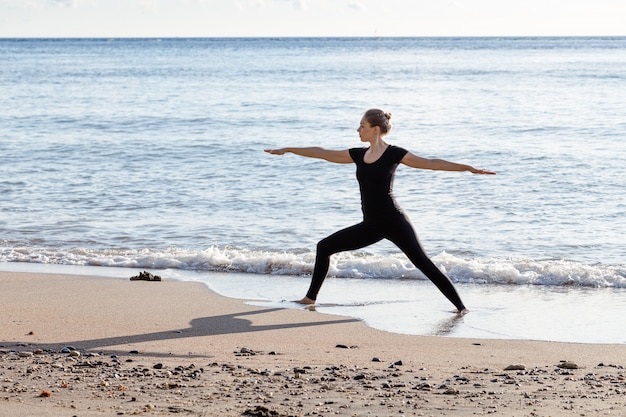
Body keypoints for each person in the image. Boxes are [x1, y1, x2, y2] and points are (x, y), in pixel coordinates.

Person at [264, 109, 495, 314]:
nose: (358, 130)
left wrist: (467, 168)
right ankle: (310, 298)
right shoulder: (357, 155)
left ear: (375, 129)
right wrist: (289, 149)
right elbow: (323, 152)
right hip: (371, 225)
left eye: (362, 126)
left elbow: (432, 163)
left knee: (423, 263)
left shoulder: (396, 154)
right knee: (324, 247)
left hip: (394, 221)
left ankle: (462, 308)